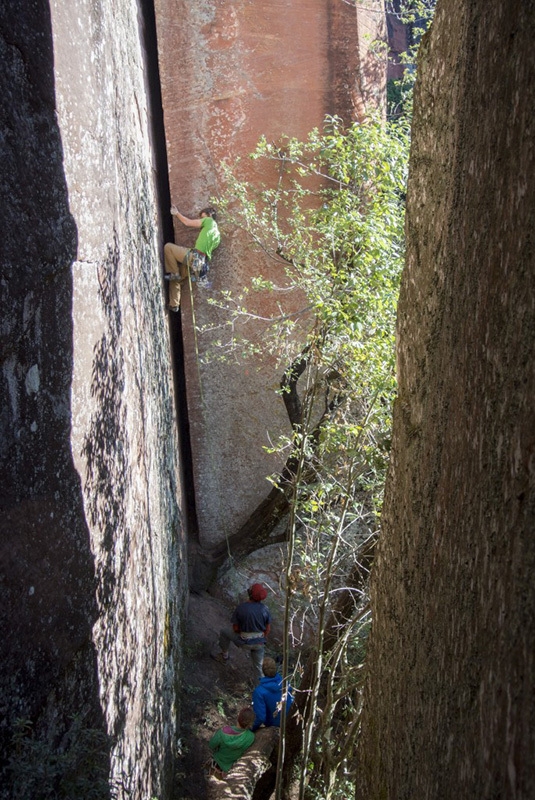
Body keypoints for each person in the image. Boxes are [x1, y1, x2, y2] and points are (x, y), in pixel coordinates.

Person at [164, 205, 220, 312]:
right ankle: (174, 304)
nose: (201, 220)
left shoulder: (209, 221)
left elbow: (188, 223)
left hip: (194, 256)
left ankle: (174, 274)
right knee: (177, 277)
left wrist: (176, 213)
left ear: (209, 215)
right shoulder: (218, 237)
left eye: (202, 217)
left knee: (168, 248)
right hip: (200, 264)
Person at [212, 583, 271, 681]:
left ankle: (224, 656)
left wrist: (244, 633)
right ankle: (260, 692)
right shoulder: (265, 609)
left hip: (244, 642)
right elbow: (267, 629)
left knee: (224, 632)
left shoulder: (242, 608)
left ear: (250, 594)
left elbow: (235, 628)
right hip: (259, 643)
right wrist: (259, 638)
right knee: (258, 669)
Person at [208, 706, 255, 778]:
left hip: (215, 765)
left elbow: (211, 745)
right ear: (250, 723)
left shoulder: (222, 732)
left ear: (238, 717)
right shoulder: (251, 737)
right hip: (230, 770)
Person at [251, 657, 294, 732]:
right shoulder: (287, 685)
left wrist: (251, 728)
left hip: (273, 726)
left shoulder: (259, 691)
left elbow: (260, 717)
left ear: (263, 671)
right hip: (290, 724)